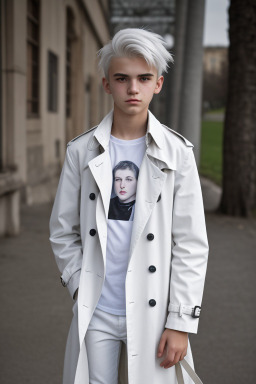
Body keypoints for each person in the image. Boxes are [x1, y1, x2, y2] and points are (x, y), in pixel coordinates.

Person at [49, 28, 209, 384]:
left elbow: (191, 243)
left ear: (159, 84)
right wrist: (80, 285)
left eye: (143, 78)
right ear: (107, 84)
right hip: (97, 310)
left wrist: (180, 322)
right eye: (122, 78)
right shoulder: (81, 151)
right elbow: (62, 231)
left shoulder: (178, 154)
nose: (132, 88)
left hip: (154, 312)